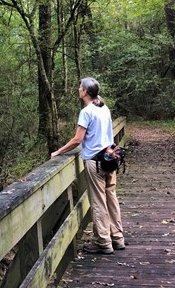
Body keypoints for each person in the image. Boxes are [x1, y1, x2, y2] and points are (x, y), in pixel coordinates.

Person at [50, 77, 125, 254]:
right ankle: (117, 238)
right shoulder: (104, 108)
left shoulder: (87, 111)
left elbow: (78, 139)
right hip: (110, 157)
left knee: (98, 201)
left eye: (79, 87)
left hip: (95, 161)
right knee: (111, 198)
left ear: (85, 91)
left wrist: (58, 152)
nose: (78, 89)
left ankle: (104, 242)